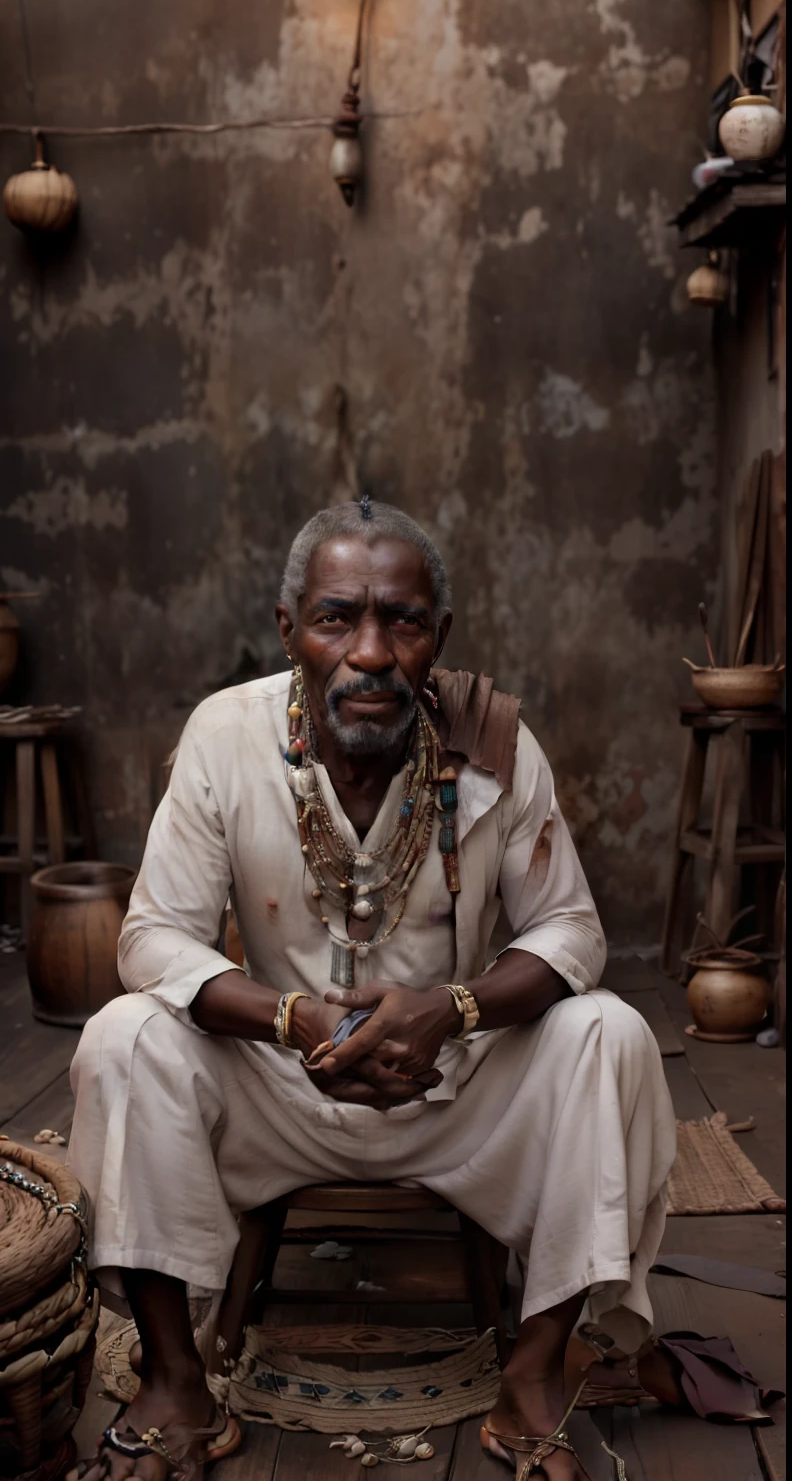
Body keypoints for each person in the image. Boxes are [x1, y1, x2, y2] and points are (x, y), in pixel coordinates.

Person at [69, 499, 675, 1481]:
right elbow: (152, 940)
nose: (368, 651)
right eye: (335, 617)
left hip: (456, 1089)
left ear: (438, 634)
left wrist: (452, 1008)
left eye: (399, 621)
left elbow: (570, 931)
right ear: (286, 629)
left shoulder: (495, 744)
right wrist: (291, 1018)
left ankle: (528, 1376)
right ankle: (179, 1385)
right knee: (122, 1036)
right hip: (276, 1085)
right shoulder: (227, 735)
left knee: (610, 1034)